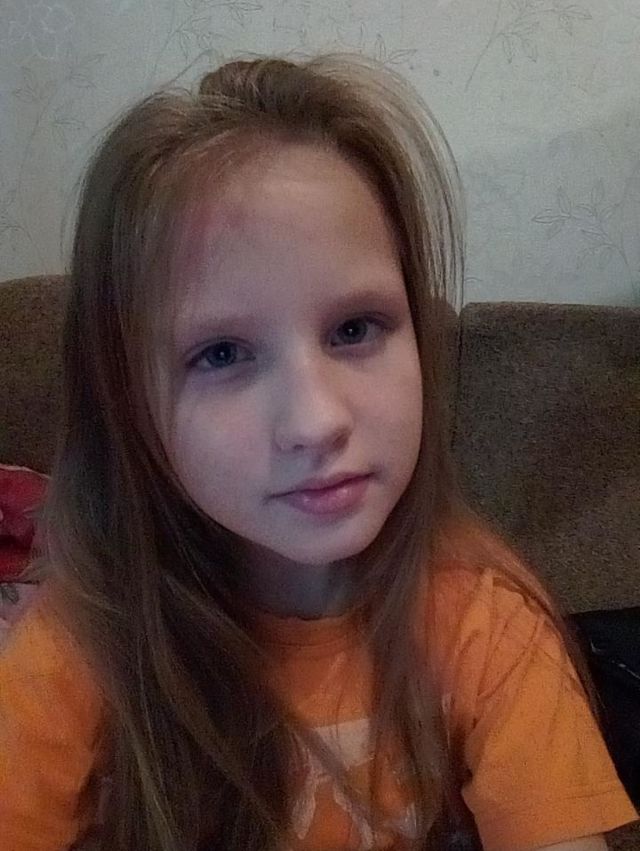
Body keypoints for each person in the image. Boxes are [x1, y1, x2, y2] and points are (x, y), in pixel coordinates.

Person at [0, 55, 636, 851]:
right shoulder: (81, 647)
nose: (315, 420)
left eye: (354, 329)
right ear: (127, 402)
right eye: (222, 353)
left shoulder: (487, 623)